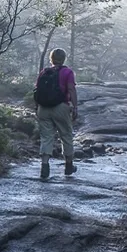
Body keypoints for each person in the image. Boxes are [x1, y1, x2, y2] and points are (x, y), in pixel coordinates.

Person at [34, 48, 78, 180]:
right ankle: (68, 166)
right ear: (64, 59)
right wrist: (75, 107)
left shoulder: (44, 72)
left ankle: (45, 166)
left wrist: (37, 107)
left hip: (43, 108)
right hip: (60, 107)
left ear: (51, 58)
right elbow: (71, 88)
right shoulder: (67, 72)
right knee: (66, 135)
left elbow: (37, 90)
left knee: (46, 137)